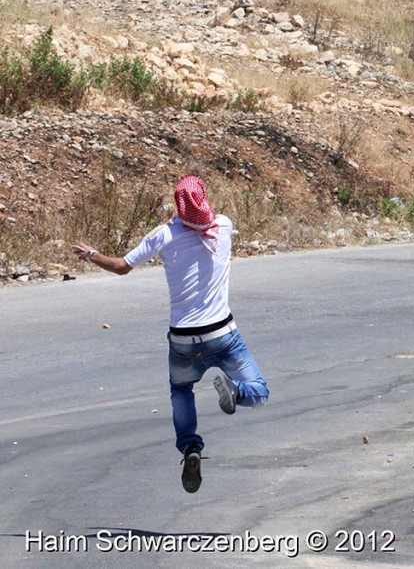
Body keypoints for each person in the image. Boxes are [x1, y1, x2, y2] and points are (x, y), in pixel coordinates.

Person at [72, 175, 269, 494]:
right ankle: (236, 393)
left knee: (181, 391)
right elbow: (201, 220)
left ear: (178, 205)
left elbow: (122, 266)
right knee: (259, 391)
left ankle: (191, 448)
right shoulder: (224, 225)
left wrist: (91, 254)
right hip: (222, 333)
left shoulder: (164, 235)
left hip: (182, 338)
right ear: (205, 198)